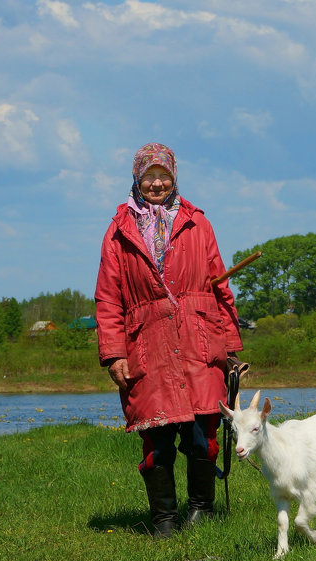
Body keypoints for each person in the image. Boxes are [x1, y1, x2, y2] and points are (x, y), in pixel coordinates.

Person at [95, 143, 243, 538]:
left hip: (199, 341)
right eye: (149, 177)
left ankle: (202, 512)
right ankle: (164, 520)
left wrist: (228, 349)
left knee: (202, 435)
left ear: (174, 177)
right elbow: (108, 298)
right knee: (156, 439)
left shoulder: (198, 223)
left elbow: (221, 287)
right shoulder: (118, 230)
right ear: (137, 179)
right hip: (148, 345)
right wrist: (113, 355)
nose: (157, 183)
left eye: (164, 176)